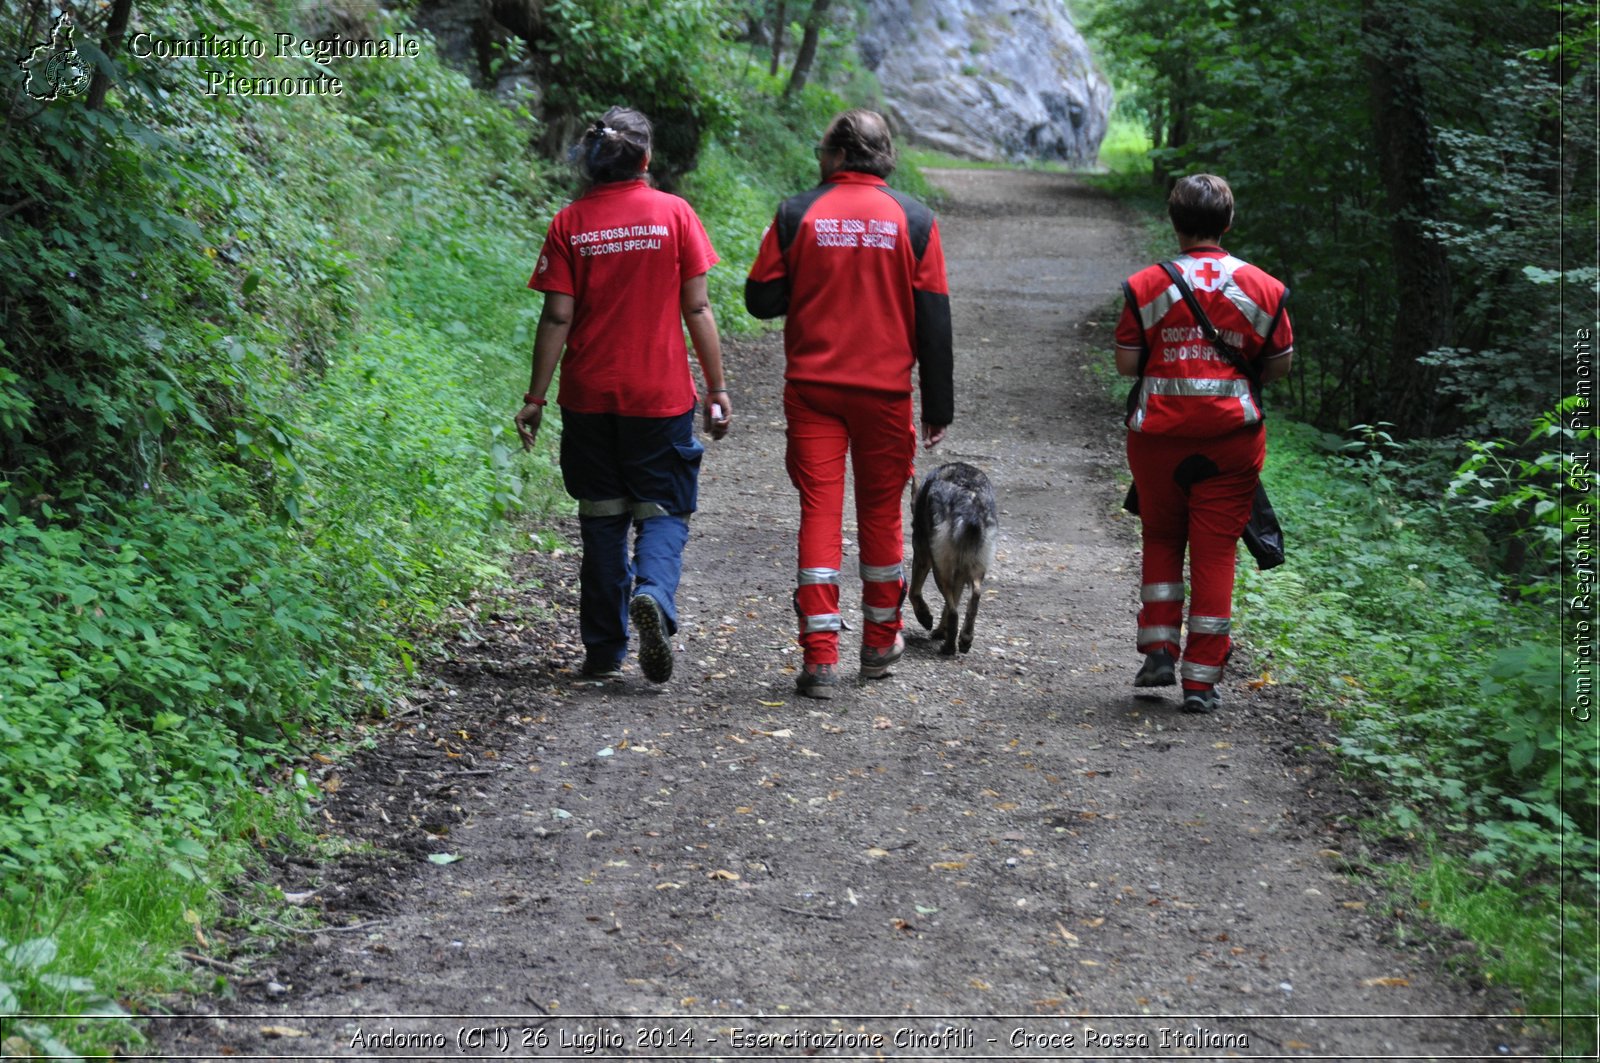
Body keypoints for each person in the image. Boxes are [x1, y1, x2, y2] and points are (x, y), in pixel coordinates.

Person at [515, 106, 731, 684]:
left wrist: (535, 398)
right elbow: (698, 307)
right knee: (664, 509)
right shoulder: (676, 215)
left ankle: (604, 650)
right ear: (646, 159)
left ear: (592, 159)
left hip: (587, 397)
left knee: (602, 519)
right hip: (658, 396)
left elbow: (557, 316)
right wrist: (716, 388)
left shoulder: (570, 223)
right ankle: (655, 594)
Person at [745, 108, 953, 699]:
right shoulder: (915, 220)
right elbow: (934, 320)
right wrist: (938, 404)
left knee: (819, 511)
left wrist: (813, 278)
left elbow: (760, 300)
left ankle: (819, 656)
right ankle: (880, 642)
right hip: (885, 394)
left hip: (813, 391)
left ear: (834, 154)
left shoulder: (795, 213)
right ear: (884, 154)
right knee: (883, 513)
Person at [1115, 173, 1293, 714]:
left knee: (1162, 538)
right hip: (1231, 443)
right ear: (1228, 221)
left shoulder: (1146, 285)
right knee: (1215, 551)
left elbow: (1127, 364)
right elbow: (1280, 365)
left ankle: (1159, 650)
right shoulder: (1264, 287)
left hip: (1157, 441)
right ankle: (1201, 681)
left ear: (1175, 222)